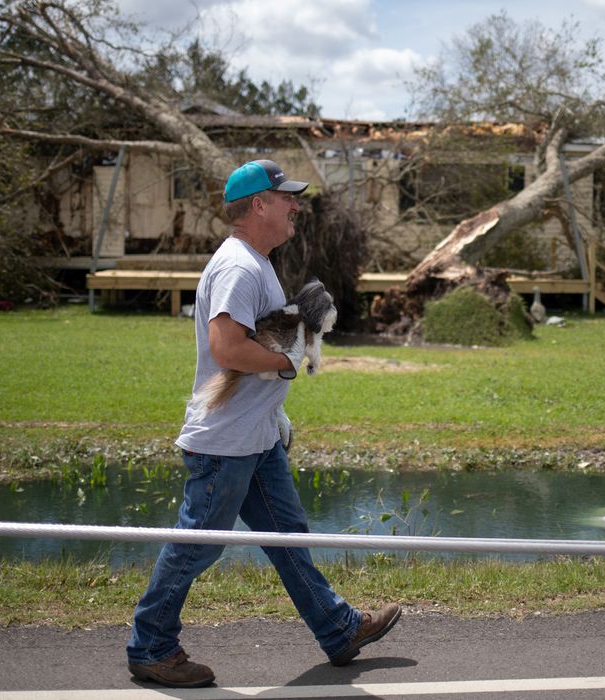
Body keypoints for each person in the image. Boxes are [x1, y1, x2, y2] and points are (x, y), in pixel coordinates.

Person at [126, 159, 401, 689]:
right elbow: (228, 348)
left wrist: (278, 411)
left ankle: (339, 629)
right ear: (258, 205)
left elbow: (262, 342)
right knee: (196, 546)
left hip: (256, 436)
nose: (296, 206)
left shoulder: (259, 263)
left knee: (287, 536)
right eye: (287, 198)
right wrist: (289, 358)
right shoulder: (237, 267)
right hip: (225, 443)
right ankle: (150, 647)